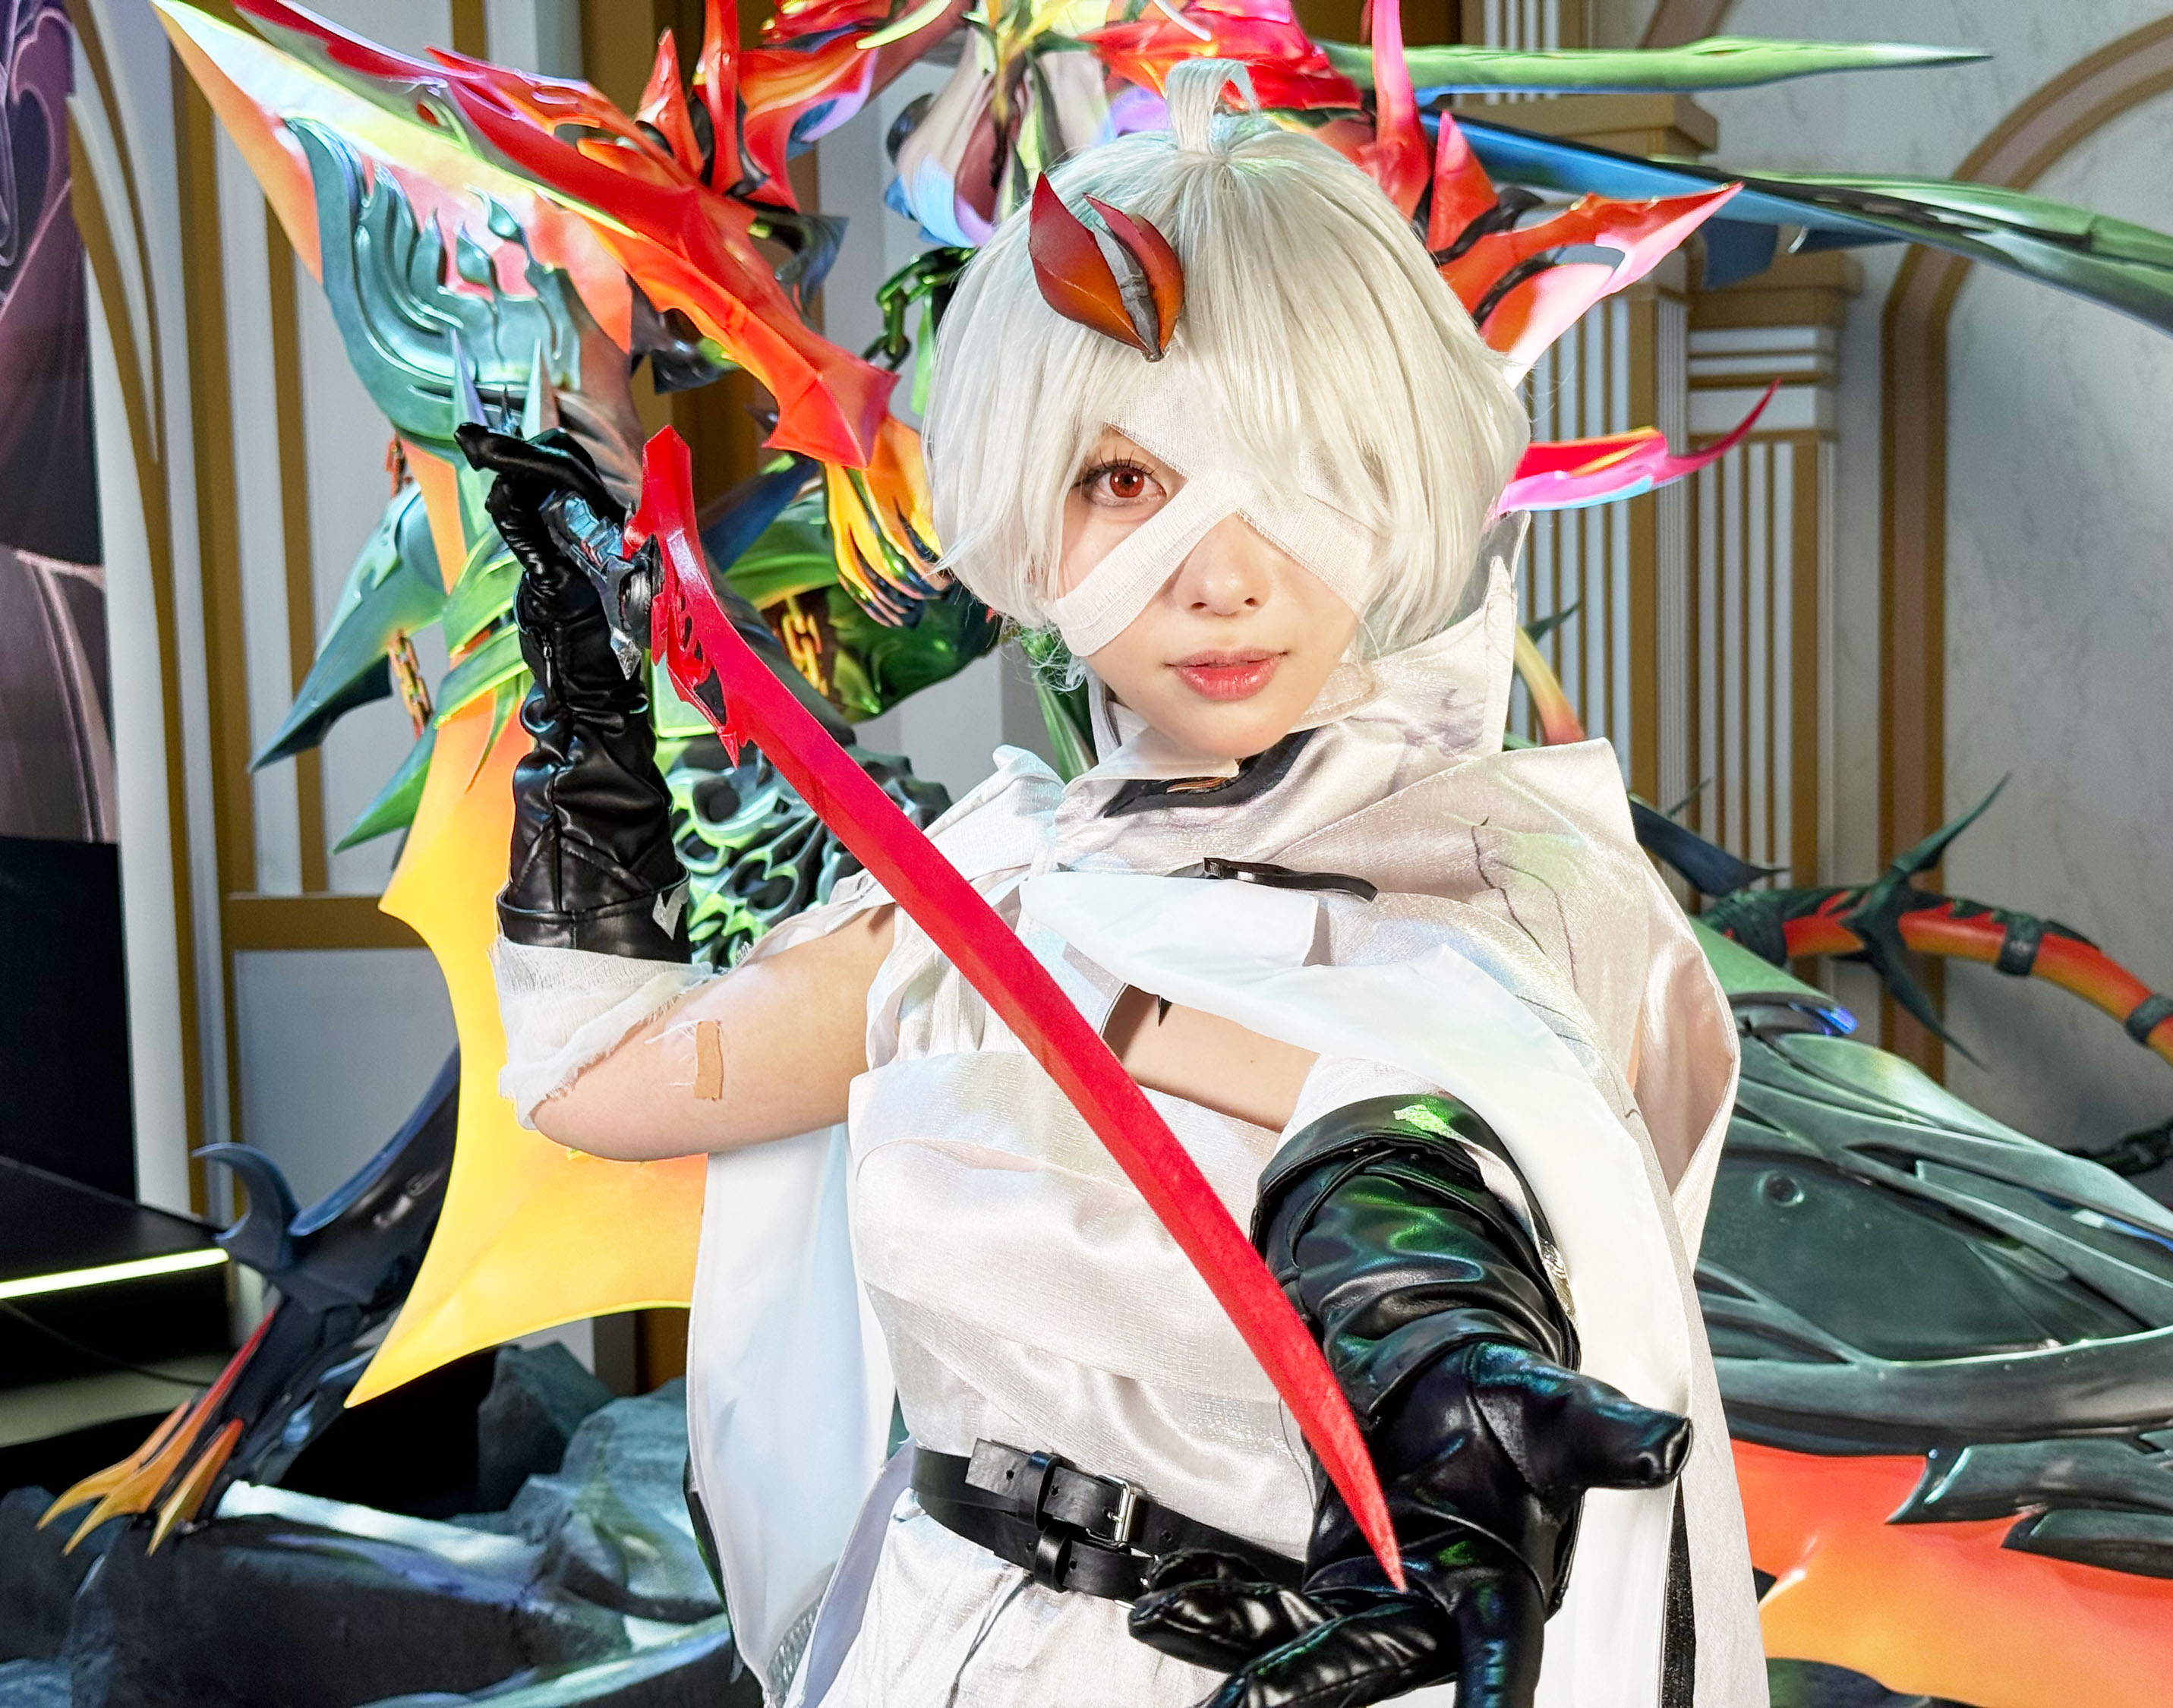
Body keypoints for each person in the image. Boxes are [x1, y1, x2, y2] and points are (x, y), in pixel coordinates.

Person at [466, 60, 1765, 1708]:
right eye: (1127, 481)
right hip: (944, 1650)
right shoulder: (1004, 886)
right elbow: (595, 1075)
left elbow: (1455, 1119)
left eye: (1294, 470)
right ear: (1030, 506)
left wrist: (1434, 1324)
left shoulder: (1508, 872)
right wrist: (583, 726)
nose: (1224, 576)